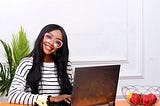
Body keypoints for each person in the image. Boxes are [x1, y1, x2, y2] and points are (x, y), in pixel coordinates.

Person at [7, 24, 73, 106]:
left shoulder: (66, 65)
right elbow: (13, 95)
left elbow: (72, 93)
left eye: (57, 42)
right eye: (49, 37)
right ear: (42, 37)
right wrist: (50, 99)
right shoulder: (27, 63)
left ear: (60, 47)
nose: (51, 43)